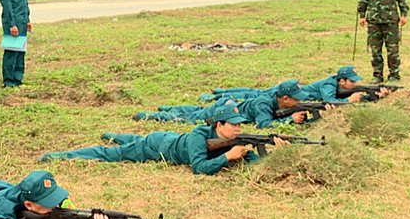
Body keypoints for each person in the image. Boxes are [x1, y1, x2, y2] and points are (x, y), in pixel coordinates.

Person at [38, 102, 289, 175]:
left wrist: (273, 152)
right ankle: (60, 155)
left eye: (240, 125)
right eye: (233, 126)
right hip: (157, 146)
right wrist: (227, 157)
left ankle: (116, 136)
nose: (238, 129)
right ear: (219, 125)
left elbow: (253, 160)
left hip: (170, 138)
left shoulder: (232, 138)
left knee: (133, 140)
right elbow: (199, 167)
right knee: (112, 154)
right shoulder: (199, 135)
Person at [133, 80, 312, 128]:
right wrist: (289, 120)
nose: (300, 102)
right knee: (191, 119)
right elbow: (263, 124)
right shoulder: (263, 104)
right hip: (224, 109)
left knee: (198, 111)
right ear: (285, 99)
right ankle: (154, 116)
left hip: (230, 104)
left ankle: (170, 108)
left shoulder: (277, 98)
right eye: (297, 99)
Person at [358, 0, 409, 83]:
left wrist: (404, 14)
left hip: (391, 19)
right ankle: (377, 75)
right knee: (375, 50)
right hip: (374, 19)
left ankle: (394, 75)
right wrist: (362, 15)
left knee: (392, 49)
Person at [298, 66, 388, 103]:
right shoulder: (329, 85)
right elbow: (329, 101)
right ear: (342, 81)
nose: (355, 84)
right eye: (352, 81)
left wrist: (376, 96)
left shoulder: (341, 87)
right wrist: (349, 100)